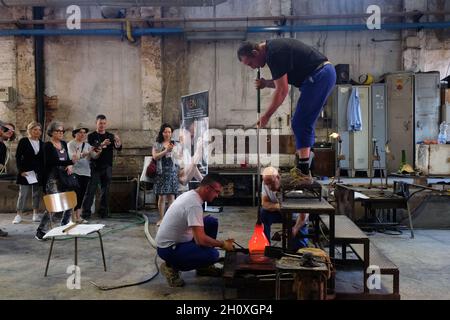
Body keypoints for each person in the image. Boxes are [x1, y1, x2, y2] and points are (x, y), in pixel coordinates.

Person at [237, 39, 336, 182]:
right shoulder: (273, 51)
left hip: (320, 76)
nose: (253, 68)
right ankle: (307, 161)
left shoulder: (274, 53)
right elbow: (282, 84)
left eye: (251, 63)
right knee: (302, 121)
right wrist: (266, 83)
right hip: (318, 76)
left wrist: (266, 116)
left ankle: (303, 172)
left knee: (300, 122)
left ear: (255, 52)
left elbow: (282, 91)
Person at [156, 174, 235, 287]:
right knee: (213, 255)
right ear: (207, 188)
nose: (217, 195)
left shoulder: (192, 195)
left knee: (211, 222)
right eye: (216, 192)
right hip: (169, 248)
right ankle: (171, 267)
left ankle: (203, 267)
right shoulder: (194, 205)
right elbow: (201, 240)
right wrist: (223, 244)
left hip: (179, 241)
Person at [35, 121, 76, 240]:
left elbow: (67, 158)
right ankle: (41, 231)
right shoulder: (47, 145)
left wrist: (69, 165)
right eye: (57, 131)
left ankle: (63, 225)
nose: (60, 133)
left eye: (62, 131)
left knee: (68, 202)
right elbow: (52, 162)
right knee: (53, 206)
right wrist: (70, 162)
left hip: (63, 177)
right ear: (51, 132)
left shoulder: (63, 143)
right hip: (52, 179)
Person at [82, 114, 122, 219]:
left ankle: (103, 212)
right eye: (100, 123)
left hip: (107, 166)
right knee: (91, 190)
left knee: (106, 191)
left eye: (104, 123)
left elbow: (118, 148)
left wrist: (118, 142)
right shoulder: (91, 136)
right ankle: (85, 213)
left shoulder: (110, 136)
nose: (102, 125)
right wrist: (102, 144)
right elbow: (91, 149)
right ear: (96, 123)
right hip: (95, 166)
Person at [260, 166, 309, 250]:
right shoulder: (266, 183)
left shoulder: (294, 187)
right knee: (263, 213)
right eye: (266, 184)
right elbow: (264, 203)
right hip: (279, 213)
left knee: (298, 250)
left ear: (278, 177)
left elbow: (304, 213)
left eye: (271, 183)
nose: (269, 187)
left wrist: (295, 229)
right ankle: (266, 245)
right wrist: (279, 207)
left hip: (296, 217)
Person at [13, 121, 45, 224]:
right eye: (35, 129)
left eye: (39, 130)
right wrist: (21, 171)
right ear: (29, 130)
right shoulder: (24, 141)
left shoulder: (42, 143)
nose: (37, 131)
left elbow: (42, 160)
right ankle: (18, 215)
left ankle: (35, 214)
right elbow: (18, 157)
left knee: (36, 193)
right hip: (26, 172)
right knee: (23, 194)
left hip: (37, 172)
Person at [68, 123, 100, 224]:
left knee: (81, 195)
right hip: (75, 172)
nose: (82, 134)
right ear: (75, 134)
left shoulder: (87, 145)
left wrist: (100, 151)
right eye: (80, 132)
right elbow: (73, 158)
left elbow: (94, 156)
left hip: (86, 173)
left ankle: (78, 217)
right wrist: (86, 153)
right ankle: (71, 217)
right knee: (74, 195)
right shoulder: (71, 144)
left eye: (84, 133)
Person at [152, 124, 179, 226]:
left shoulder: (175, 144)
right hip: (161, 172)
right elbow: (155, 157)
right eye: (165, 132)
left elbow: (180, 157)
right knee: (162, 197)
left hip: (172, 172)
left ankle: (170, 219)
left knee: (171, 197)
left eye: (169, 132)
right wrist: (166, 151)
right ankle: (162, 219)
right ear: (162, 133)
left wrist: (174, 152)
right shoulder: (157, 144)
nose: (167, 134)